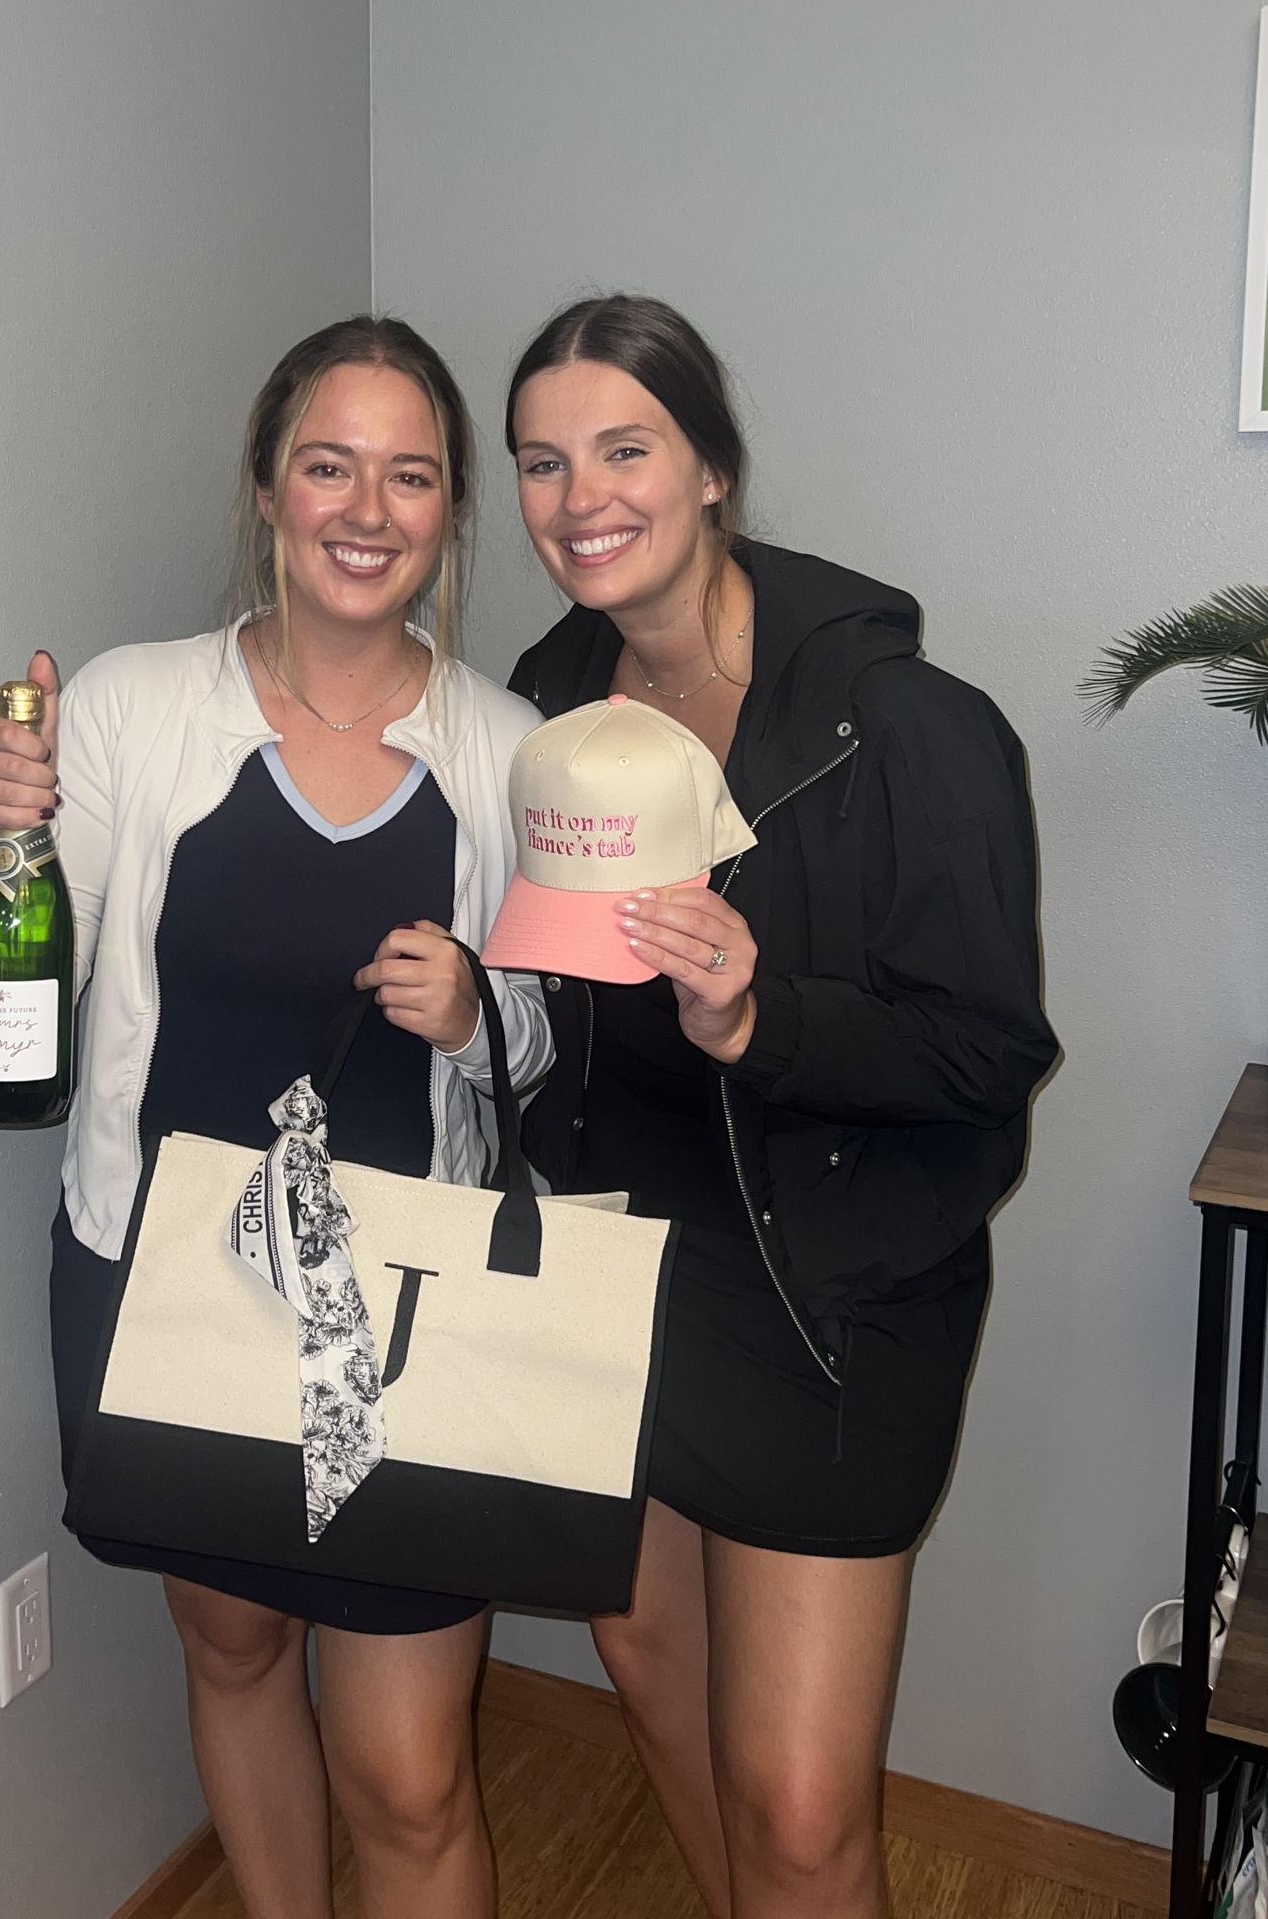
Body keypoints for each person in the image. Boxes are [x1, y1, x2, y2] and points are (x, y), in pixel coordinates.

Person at [0, 316, 548, 1919]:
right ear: (269, 488)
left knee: (411, 1771)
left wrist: (480, 1012)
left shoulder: (505, 750)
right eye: (328, 465)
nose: (367, 508)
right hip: (165, 1280)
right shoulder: (132, 708)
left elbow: (548, 1047)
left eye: (409, 475)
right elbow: (23, 970)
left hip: (400, 1311)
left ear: (450, 510)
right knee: (232, 1652)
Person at [500, 294, 1057, 1919]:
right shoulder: (544, 711)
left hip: (829, 1299)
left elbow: (986, 1054)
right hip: (620, 1267)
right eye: (541, 462)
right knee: (645, 1658)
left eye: (625, 449)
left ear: (713, 469)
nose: (580, 498)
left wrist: (761, 1021)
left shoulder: (908, 729)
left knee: (803, 1806)